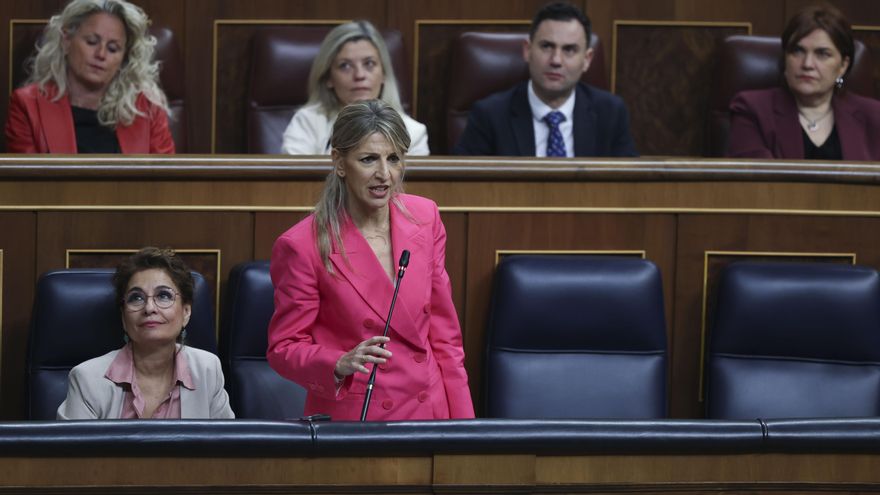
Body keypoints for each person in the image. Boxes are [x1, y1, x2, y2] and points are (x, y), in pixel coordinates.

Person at [268, 100, 473, 421]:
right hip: (360, 417)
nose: (384, 174)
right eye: (368, 159)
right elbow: (284, 347)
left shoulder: (425, 217)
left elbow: (446, 338)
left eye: (393, 159)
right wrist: (337, 363)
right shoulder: (302, 245)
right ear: (339, 162)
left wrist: (464, 426)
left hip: (429, 412)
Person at [57, 247, 233, 419]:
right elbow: (73, 441)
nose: (149, 308)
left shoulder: (208, 370)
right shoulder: (87, 379)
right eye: (136, 298)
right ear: (124, 318)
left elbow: (226, 438)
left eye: (163, 296)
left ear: (186, 312)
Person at [453, 2, 637, 157]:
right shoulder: (489, 115)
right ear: (527, 50)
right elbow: (464, 184)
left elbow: (628, 184)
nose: (556, 60)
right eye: (547, 46)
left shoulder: (611, 113)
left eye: (569, 49)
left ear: (587, 60)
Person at [5, 0, 174, 154]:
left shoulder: (148, 109)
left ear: (124, 58)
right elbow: (27, 178)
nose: (101, 54)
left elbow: (165, 176)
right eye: (92, 42)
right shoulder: (28, 106)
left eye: (113, 48)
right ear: (66, 41)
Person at [728, 5, 880, 160]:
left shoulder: (874, 116)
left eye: (822, 54)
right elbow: (755, 174)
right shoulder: (752, 110)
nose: (807, 64)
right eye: (797, 51)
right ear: (785, 58)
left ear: (843, 66)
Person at [280, 21, 429, 155]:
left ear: (383, 74)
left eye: (369, 63)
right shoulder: (307, 123)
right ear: (328, 78)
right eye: (345, 66)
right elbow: (295, 177)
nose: (359, 75)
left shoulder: (413, 133)